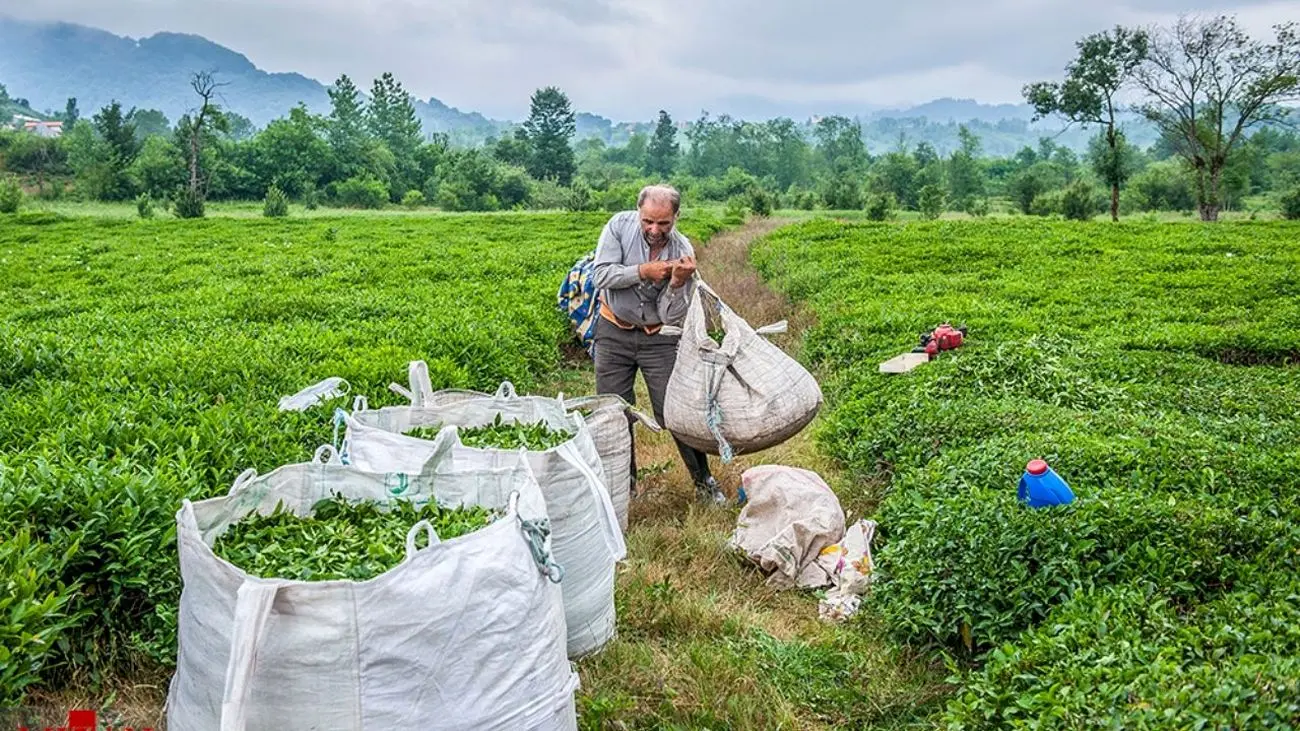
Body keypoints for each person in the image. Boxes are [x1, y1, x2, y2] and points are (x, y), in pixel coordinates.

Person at [591, 184, 727, 505]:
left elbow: (670, 314)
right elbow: (601, 275)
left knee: (676, 412)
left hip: (658, 339)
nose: (655, 230)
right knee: (614, 413)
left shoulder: (682, 249)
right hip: (613, 332)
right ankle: (625, 487)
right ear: (639, 213)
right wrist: (644, 271)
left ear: (676, 217)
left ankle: (704, 482)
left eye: (663, 223)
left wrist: (677, 283)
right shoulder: (618, 227)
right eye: (648, 222)